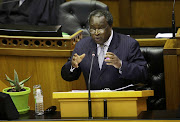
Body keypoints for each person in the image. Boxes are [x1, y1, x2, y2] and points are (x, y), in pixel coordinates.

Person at [61, 9, 147, 90]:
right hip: (93, 102)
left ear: (110, 26)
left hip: (121, 100)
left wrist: (121, 64)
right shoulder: (82, 46)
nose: (96, 33)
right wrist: (72, 66)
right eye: (92, 29)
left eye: (101, 28)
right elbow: (67, 76)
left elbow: (143, 74)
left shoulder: (129, 44)